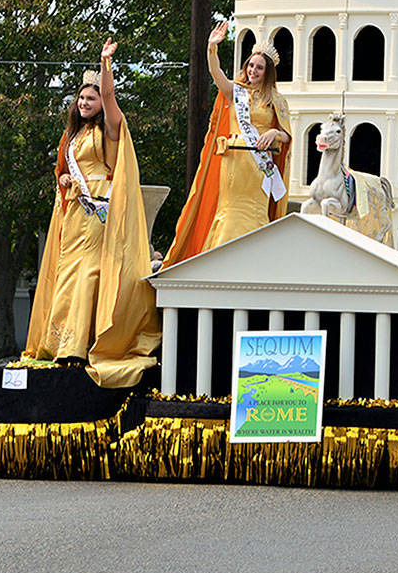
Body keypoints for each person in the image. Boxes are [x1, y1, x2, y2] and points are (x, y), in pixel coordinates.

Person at [24, 40, 160, 389]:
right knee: (69, 271)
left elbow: (111, 98)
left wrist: (105, 64)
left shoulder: (109, 129)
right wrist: (63, 178)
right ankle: (61, 341)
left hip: (99, 208)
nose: (85, 103)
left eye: (91, 98)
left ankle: (81, 344)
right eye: (82, 98)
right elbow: (62, 169)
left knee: (90, 272)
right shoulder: (73, 134)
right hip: (74, 210)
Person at [165, 21, 291, 264]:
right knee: (230, 211)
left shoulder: (276, 100)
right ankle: (219, 261)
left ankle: (255, 263)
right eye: (251, 65)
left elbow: (287, 136)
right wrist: (211, 48)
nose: (253, 71)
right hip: (234, 162)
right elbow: (217, 74)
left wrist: (274, 134)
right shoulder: (236, 92)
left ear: (268, 72)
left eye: (259, 67)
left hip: (260, 167)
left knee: (255, 212)